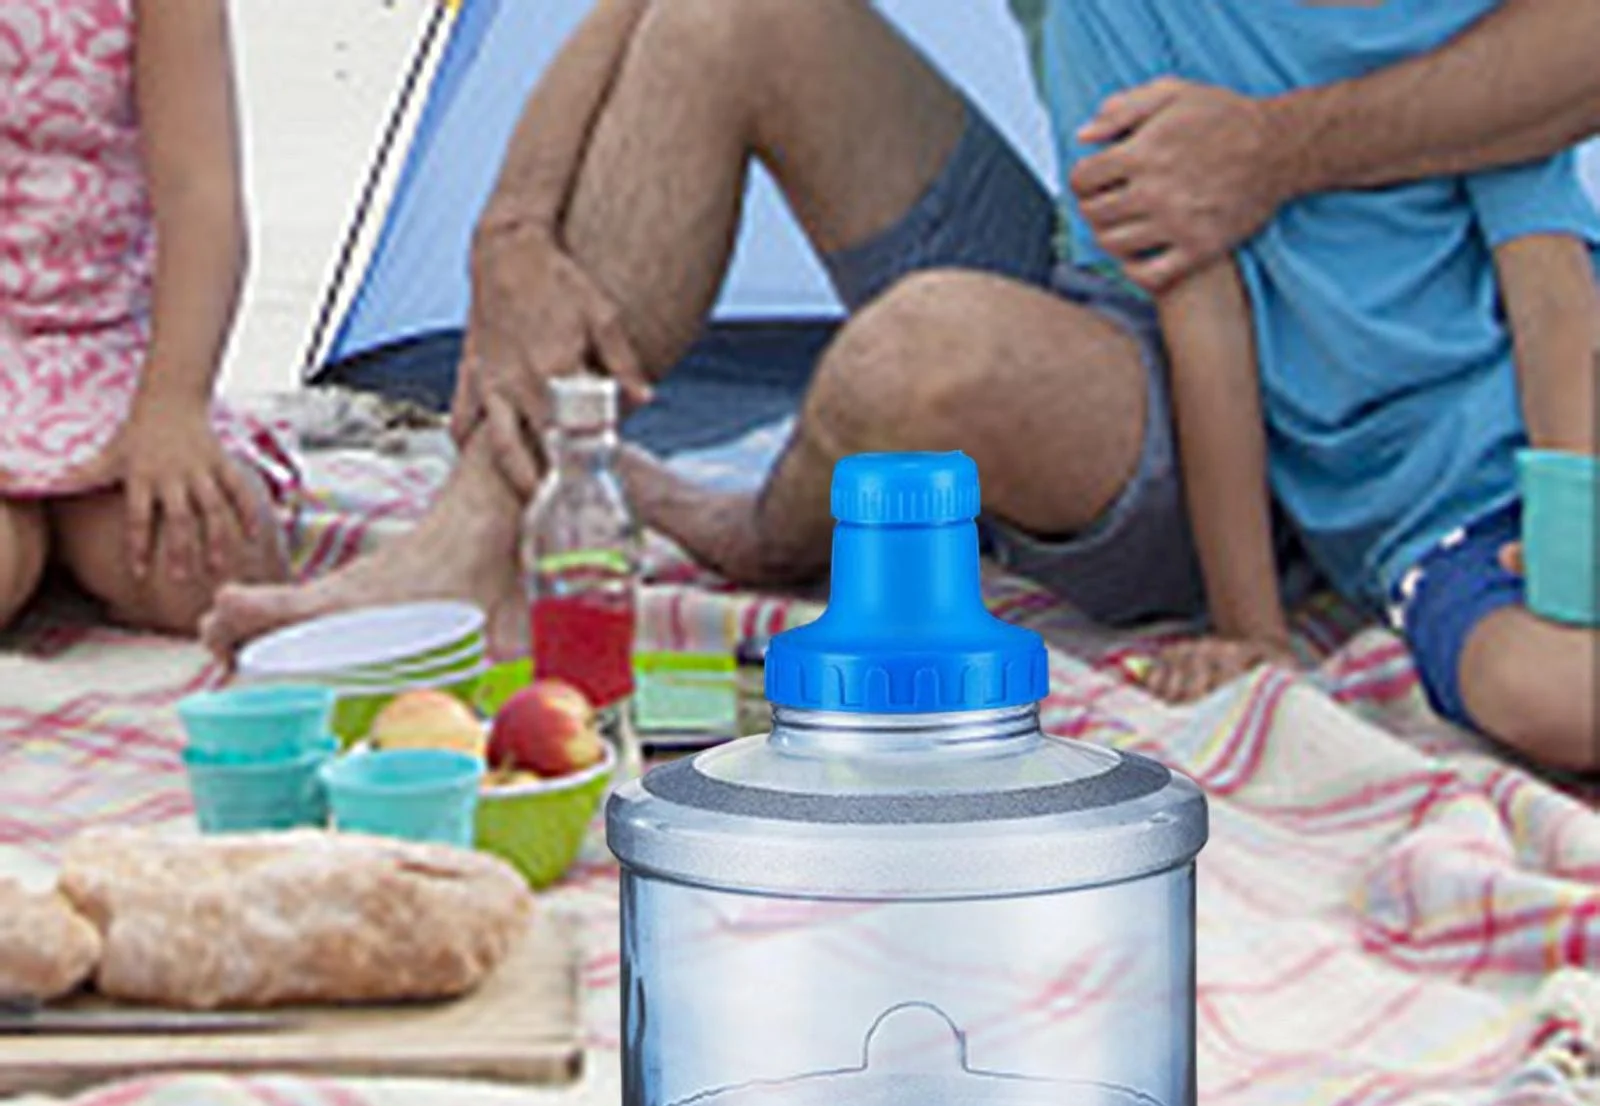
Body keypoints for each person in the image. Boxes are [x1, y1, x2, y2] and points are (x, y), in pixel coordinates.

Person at [200, 0, 1600, 692]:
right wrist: (510, 227)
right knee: (736, 20)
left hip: (1398, 362)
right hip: (1154, 336)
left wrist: (1272, 153)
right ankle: (481, 542)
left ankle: (768, 527)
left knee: (911, 360)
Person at [1032, 1, 1598, 773]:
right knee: (1546, 696)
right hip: (1434, 517)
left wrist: (1575, 538)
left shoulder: (1476, 24)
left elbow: (1553, 294)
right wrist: (1251, 632)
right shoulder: (1120, 21)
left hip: (1570, 443)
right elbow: (1204, 326)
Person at [0, 0, 291, 638]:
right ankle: (36, 547)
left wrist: (172, 406)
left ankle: (71, 535)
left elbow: (199, 194)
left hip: (108, 353)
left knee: (216, 571)